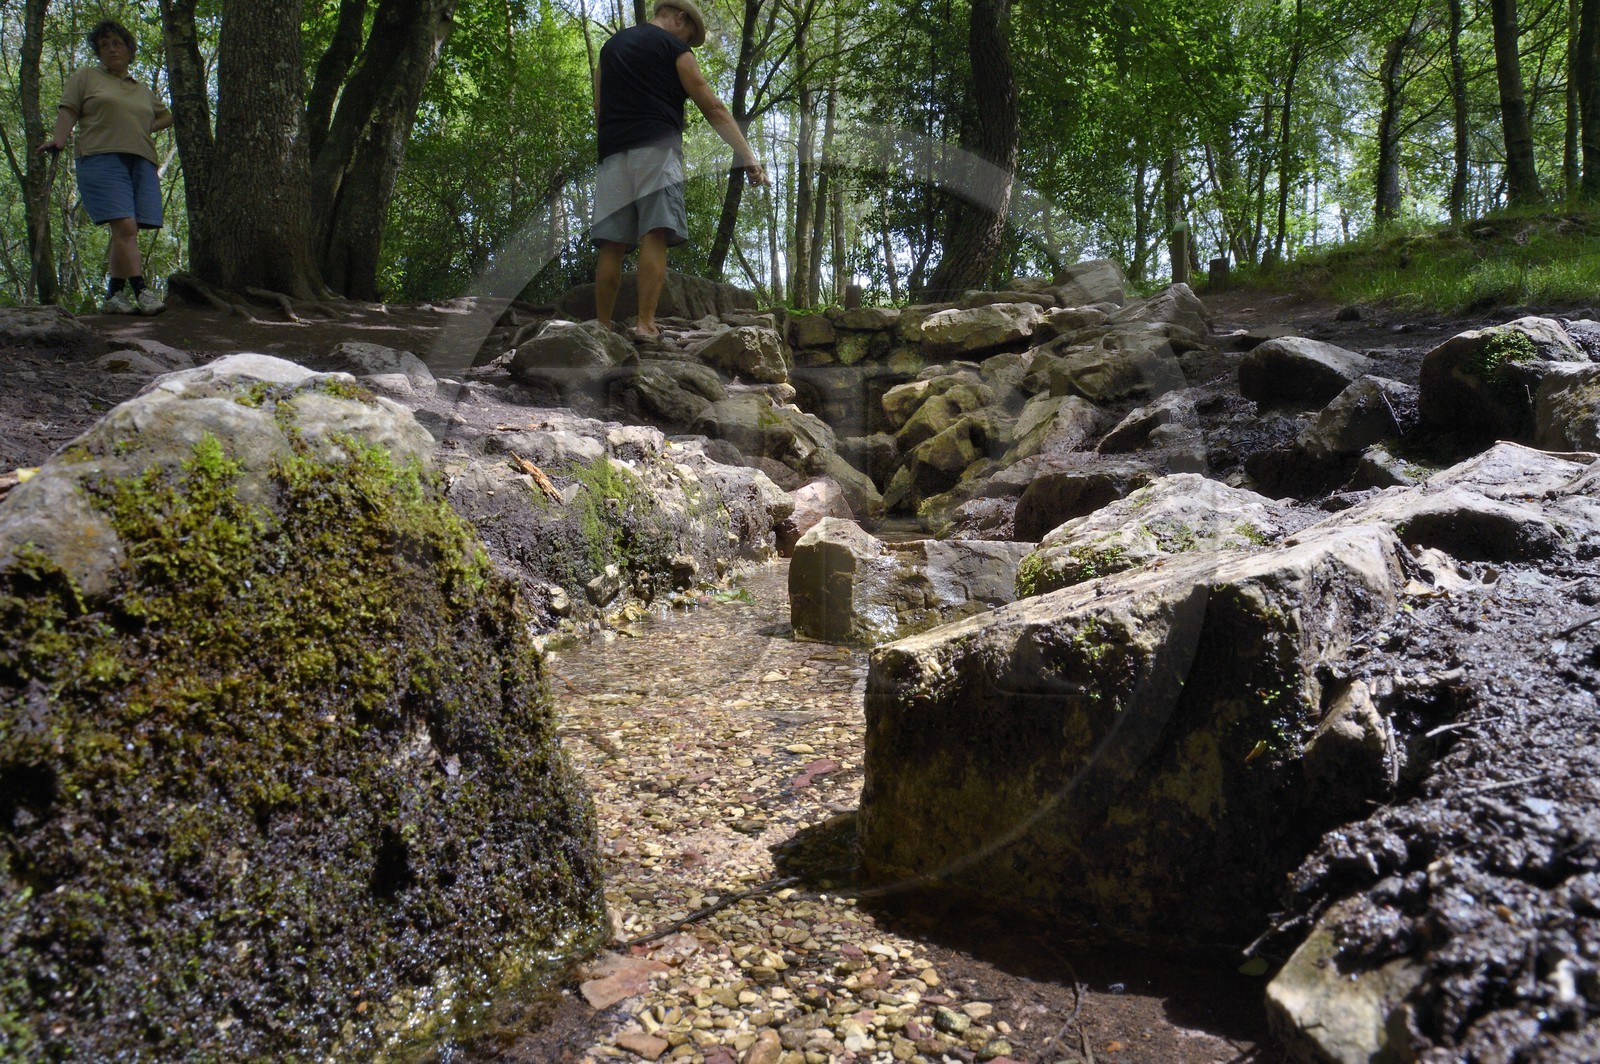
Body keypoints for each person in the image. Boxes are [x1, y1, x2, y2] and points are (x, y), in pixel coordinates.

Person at [592, 0, 767, 340]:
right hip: (658, 150)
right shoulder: (674, 48)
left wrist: (612, 142)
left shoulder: (610, 47)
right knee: (655, 232)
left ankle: (601, 329)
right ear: (679, 18)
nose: (687, 42)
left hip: (612, 152)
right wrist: (747, 155)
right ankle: (645, 324)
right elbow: (711, 106)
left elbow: (599, 107)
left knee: (611, 244)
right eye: (689, 36)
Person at [38, 19, 172, 315]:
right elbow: (69, 109)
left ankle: (114, 296)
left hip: (141, 159)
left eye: (117, 43)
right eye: (104, 45)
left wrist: (144, 125)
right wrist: (58, 140)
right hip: (100, 156)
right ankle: (142, 291)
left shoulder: (142, 90)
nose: (111, 49)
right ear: (98, 53)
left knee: (125, 231)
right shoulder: (87, 77)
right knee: (125, 225)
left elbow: (166, 116)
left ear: (128, 49)